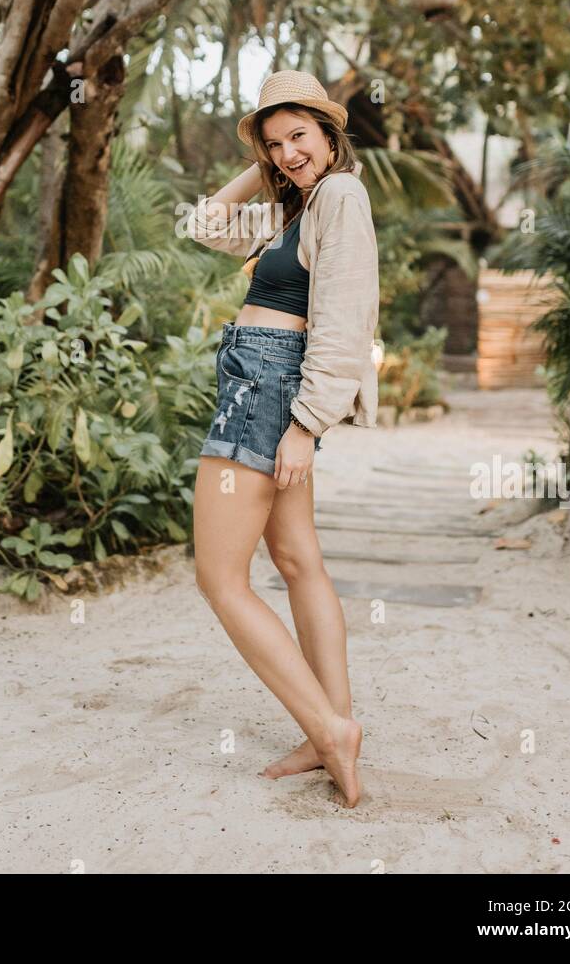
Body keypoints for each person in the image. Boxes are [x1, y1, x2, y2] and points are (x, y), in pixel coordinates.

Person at [184, 70, 379, 808]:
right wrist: (269, 165)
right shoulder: (295, 208)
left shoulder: (339, 196)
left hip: (264, 387)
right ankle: (331, 725)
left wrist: (303, 427)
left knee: (220, 578)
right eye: (274, 143)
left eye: (301, 134)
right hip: (262, 379)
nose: (288, 152)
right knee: (297, 561)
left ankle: (328, 731)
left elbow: (344, 319)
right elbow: (203, 226)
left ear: (332, 135)